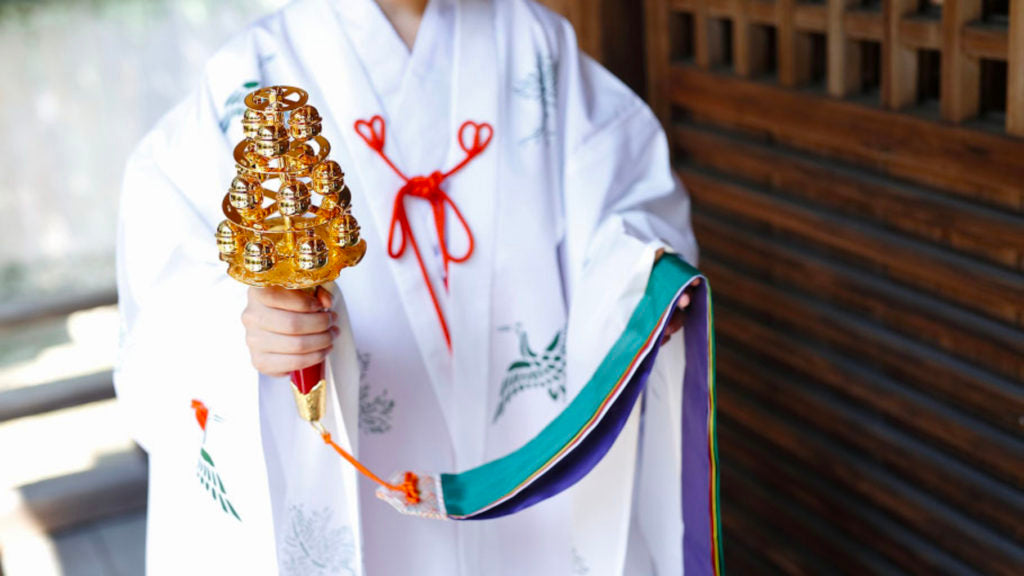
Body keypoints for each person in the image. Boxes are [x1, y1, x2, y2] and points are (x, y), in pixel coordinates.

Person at [115, 0, 711, 574]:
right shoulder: (250, 72)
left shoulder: (534, 42)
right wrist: (247, 321)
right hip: (368, 486)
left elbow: (623, 204)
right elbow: (167, 276)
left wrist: (640, 283)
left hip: (528, 463)